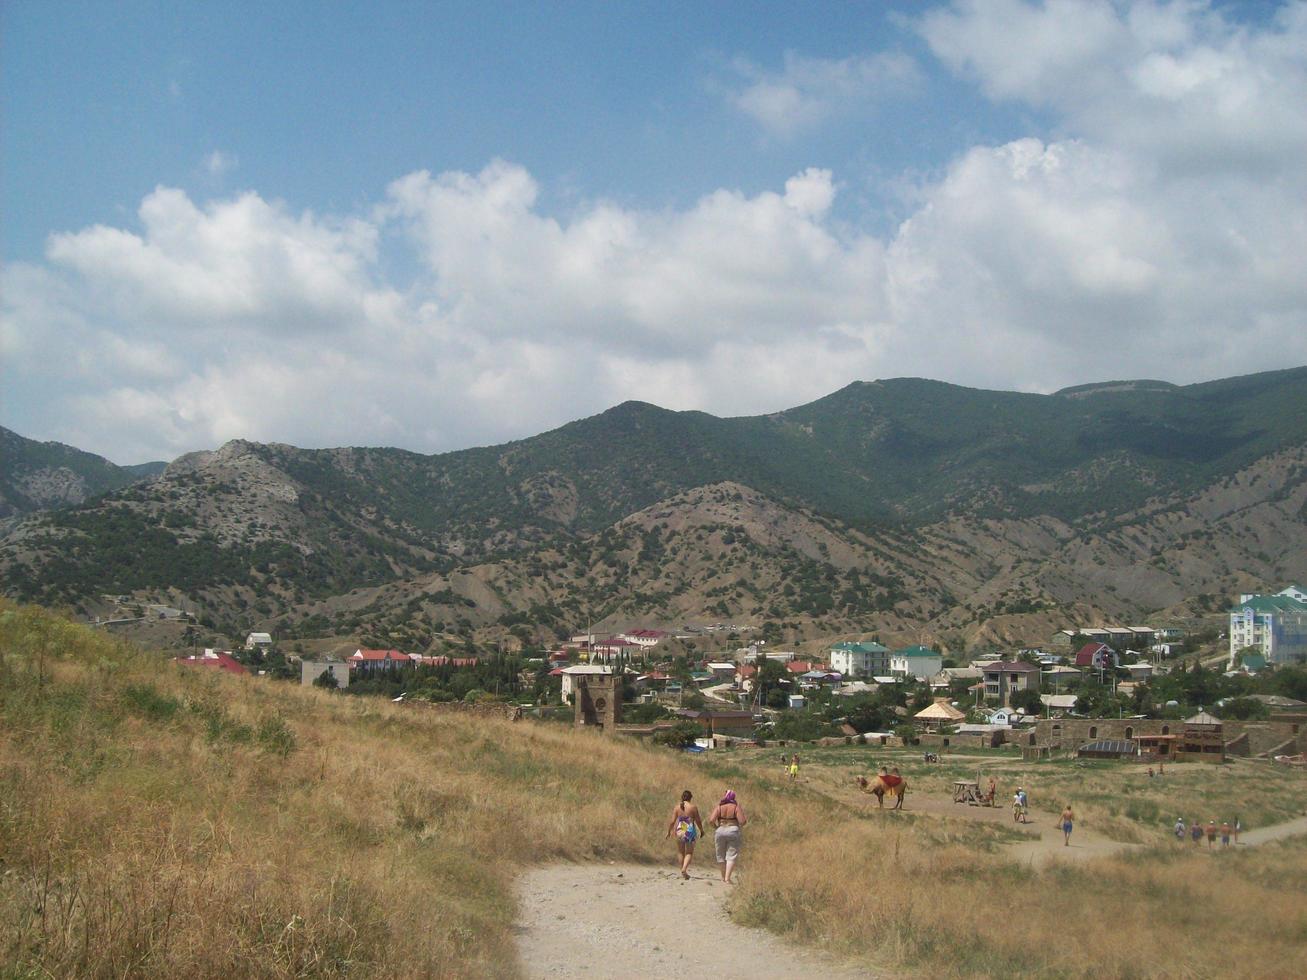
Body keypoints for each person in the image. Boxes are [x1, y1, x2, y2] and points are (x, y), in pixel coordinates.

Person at [708, 789, 748, 884]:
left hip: (720, 830)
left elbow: (711, 820)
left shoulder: (719, 807)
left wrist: (716, 827)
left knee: (720, 855)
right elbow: (743, 821)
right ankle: (727, 878)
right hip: (732, 829)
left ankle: (722, 877)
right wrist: (738, 826)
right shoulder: (735, 807)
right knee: (731, 855)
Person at [665, 790, 704, 880]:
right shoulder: (693, 807)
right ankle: (684, 869)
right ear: (690, 798)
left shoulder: (677, 807)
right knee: (689, 852)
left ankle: (682, 870)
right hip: (689, 830)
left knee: (680, 852)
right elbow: (698, 821)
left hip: (679, 829)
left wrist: (668, 832)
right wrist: (701, 830)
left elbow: (672, 821)